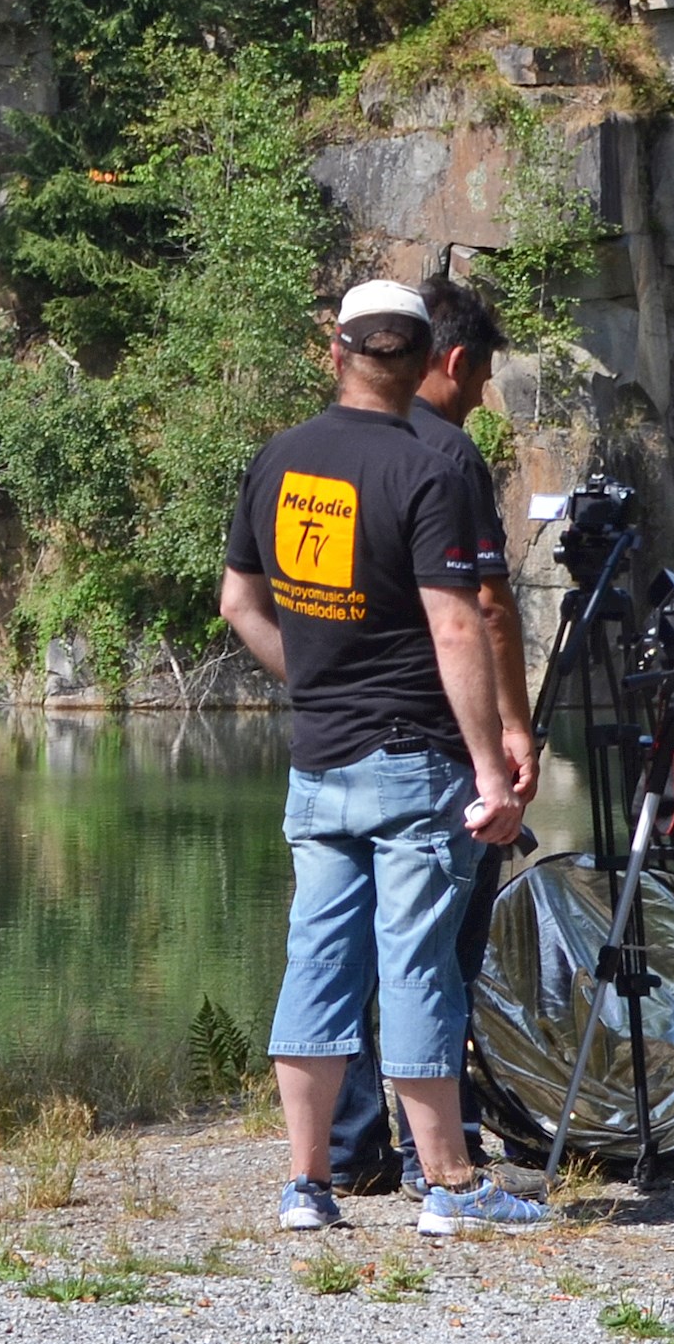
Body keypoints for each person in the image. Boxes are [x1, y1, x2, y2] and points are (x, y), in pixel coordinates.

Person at [219, 280, 543, 1237]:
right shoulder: (429, 467)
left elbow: (240, 603)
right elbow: (457, 625)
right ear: (420, 367)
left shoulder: (279, 459)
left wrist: (312, 680)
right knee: (417, 967)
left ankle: (306, 1186)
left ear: (338, 353)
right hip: (413, 761)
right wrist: (492, 770)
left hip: (317, 762)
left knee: (316, 962)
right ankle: (447, 1185)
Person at [327, 272, 537, 1195]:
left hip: (334, 737)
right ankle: (441, 1156)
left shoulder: (326, 451)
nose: (484, 397)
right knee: (438, 949)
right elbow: (484, 607)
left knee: (345, 949)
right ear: (449, 361)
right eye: (483, 378)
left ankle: (349, 1150)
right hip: (433, 740)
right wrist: (512, 730)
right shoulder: (447, 455)